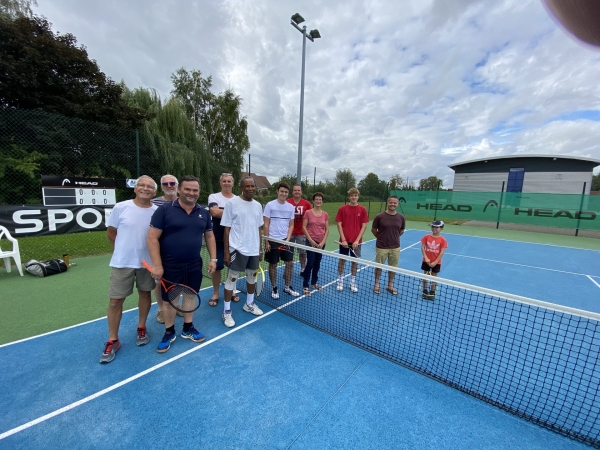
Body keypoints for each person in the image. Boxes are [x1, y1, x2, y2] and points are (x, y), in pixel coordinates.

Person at [147, 175, 217, 353]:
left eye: (195, 190)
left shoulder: (204, 212)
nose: (191, 193)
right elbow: (152, 237)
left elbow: (209, 236)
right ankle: (169, 332)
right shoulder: (164, 210)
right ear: (179, 190)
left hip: (193, 264)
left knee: (190, 295)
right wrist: (157, 265)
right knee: (171, 300)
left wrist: (214, 258)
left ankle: (188, 328)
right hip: (170, 265)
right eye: (187, 189)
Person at [99, 175, 158, 364]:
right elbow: (111, 233)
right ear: (135, 188)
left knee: (145, 294)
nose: (145, 188)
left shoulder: (157, 212)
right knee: (115, 301)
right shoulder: (121, 207)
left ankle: (141, 327)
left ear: (154, 192)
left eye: (150, 186)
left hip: (146, 264)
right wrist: (123, 250)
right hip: (122, 263)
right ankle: (113, 339)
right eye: (142, 185)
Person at [220, 176, 265, 327]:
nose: (251, 189)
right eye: (248, 186)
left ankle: (250, 303)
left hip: (253, 249)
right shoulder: (232, 203)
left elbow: (259, 228)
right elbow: (226, 229)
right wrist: (227, 252)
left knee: (252, 277)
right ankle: (226, 312)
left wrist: (260, 248)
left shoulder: (258, 205)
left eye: (253, 186)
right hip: (237, 248)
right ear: (241, 187)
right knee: (232, 279)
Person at [151, 174, 178, 324]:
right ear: (161, 186)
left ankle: (176, 304)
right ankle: (161, 309)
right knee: (159, 282)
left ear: (177, 185)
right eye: (166, 183)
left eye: (172, 183)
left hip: (178, 252)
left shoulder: (183, 202)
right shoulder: (153, 203)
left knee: (178, 281)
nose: (169, 185)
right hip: (159, 251)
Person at [207, 172, 238, 307]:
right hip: (217, 239)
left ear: (232, 183)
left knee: (233, 267)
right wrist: (233, 213)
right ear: (220, 183)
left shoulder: (238, 199)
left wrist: (222, 211)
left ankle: (231, 290)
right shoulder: (214, 196)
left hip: (234, 240)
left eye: (229, 181)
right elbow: (214, 212)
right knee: (217, 268)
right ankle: (216, 293)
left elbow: (220, 212)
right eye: (224, 181)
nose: (226, 183)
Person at [263, 181, 298, 298]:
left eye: (286, 192)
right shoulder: (270, 205)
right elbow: (266, 224)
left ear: (288, 194)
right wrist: (266, 241)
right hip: (272, 240)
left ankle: (287, 287)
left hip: (285, 240)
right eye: (282, 191)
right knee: (273, 264)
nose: (283, 193)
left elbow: (291, 225)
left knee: (290, 263)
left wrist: (287, 239)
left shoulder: (290, 207)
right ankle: (274, 288)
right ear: (277, 192)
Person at [335, 188, 369, 293]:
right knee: (342, 261)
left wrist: (357, 241)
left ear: (358, 196)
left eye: (355, 195)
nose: (353, 197)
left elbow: (364, 226)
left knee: (355, 262)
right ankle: (340, 280)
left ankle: (353, 282)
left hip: (356, 243)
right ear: (349, 197)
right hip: (344, 242)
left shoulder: (362, 209)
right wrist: (344, 240)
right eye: (351, 195)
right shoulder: (342, 209)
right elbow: (339, 224)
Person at [371, 196, 406, 295]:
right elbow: (373, 230)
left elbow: (401, 230)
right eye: (391, 202)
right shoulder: (379, 217)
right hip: (381, 247)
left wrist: (394, 237)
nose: (393, 204)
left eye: (395, 203)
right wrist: (381, 238)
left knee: (393, 267)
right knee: (378, 267)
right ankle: (376, 284)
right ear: (387, 203)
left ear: (397, 204)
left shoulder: (401, 217)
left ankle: (390, 285)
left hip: (395, 247)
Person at [301, 192, 329, 295]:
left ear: (322, 201)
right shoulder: (308, 212)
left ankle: (314, 283)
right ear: (313, 201)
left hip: (321, 243)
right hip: (310, 242)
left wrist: (323, 242)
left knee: (317, 263)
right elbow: (304, 227)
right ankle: (305, 285)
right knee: (310, 263)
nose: (318, 201)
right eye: (316, 199)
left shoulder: (325, 214)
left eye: (320, 199)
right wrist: (311, 241)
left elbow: (327, 229)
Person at [287, 184, 311, 276]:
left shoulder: (307, 203)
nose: (297, 192)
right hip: (290, 233)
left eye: (299, 190)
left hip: (302, 233)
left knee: (302, 253)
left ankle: (303, 268)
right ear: (292, 192)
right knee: (289, 253)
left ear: (301, 192)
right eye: (295, 190)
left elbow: (310, 217)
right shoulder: (287, 202)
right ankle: (288, 269)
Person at [420, 220, 448, 300]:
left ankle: (432, 292)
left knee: (434, 277)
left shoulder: (443, 240)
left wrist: (435, 262)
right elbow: (422, 247)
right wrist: (426, 258)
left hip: (437, 262)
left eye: (436, 227)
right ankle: (425, 290)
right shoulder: (426, 237)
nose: (434, 228)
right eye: (433, 226)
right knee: (425, 275)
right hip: (426, 261)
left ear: (441, 228)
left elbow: (442, 252)